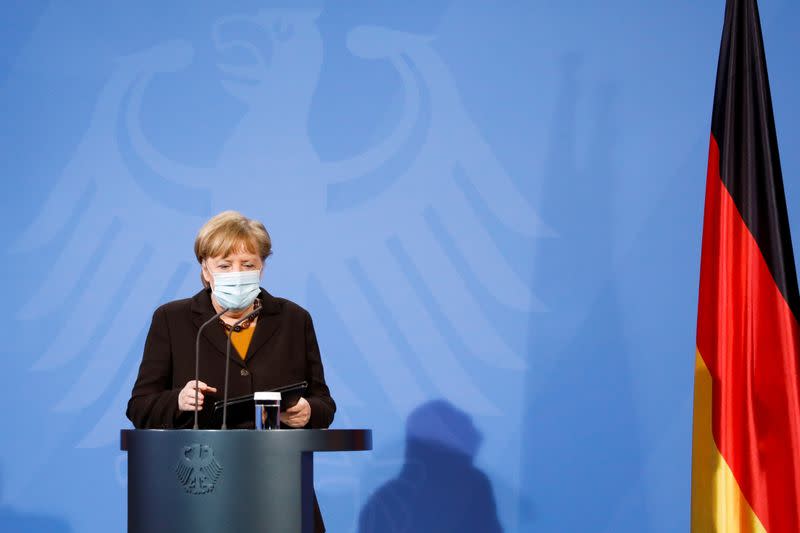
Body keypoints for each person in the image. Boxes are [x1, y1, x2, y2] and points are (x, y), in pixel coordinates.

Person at [126, 210, 335, 532]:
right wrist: (179, 401)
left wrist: (309, 411)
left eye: (247, 264)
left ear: (262, 267)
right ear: (205, 270)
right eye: (224, 265)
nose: (237, 273)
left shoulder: (294, 319)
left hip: (280, 487)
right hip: (202, 488)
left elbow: (323, 402)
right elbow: (139, 406)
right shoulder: (173, 319)